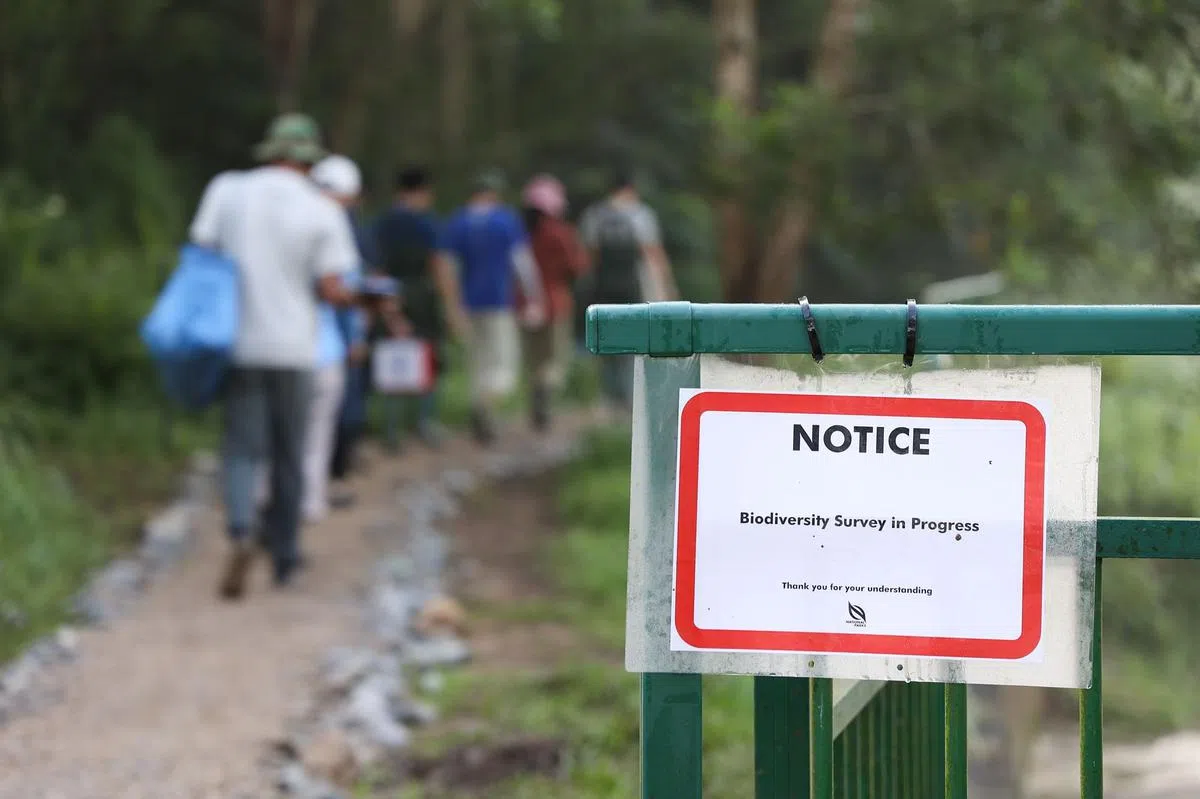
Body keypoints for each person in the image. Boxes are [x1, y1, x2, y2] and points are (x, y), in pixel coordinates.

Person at [189, 112, 360, 599]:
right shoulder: (321, 209)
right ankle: (284, 555)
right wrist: (350, 298)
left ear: (270, 152)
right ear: (309, 160)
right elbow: (332, 286)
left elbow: (202, 251)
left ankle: (241, 530)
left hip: (237, 341)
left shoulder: (227, 190)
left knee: (242, 447)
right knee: (289, 454)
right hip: (295, 348)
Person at [435, 169, 546, 445]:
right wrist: (533, 297)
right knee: (504, 364)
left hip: (468, 303)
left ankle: (480, 406)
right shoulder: (505, 221)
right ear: (494, 193)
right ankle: (486, 405)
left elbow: (447, 267)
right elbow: (522, 263)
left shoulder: (458, 223)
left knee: (477, 362)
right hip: (498, 301)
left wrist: (451, 305)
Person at [579, 171, 677, 410]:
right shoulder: (641, 214)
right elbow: (653, 253)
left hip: (603, 287)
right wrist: (667, 287)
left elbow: (589, 255)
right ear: (631, 189)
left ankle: (608, 396)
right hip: (634, 286)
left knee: (605, 338)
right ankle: (630, 398)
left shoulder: (595, 215)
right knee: (633, 339)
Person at [305, 154, 366, 522]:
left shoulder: (287, 218)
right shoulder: (333, 226)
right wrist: (356, 332)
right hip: (323, 345)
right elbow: (341, 290)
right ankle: (310, 500)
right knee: (319, 426)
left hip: (275, 343)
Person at [371, 166, 449, 449]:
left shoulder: (381, 223)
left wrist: (387, 307)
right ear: (421, 192)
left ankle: (392, 430)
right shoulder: (427, 224)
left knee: (394, 361)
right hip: (422, 297)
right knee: (428, 358)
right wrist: (451, 307)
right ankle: (425, 422)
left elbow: (375, 268)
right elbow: (438, 266)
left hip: (390, 295)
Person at [519, 174, 589, 430]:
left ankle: (534, 399)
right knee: (554, 359)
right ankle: (545, 397)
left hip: (525, 304)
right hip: (555, 302)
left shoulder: (521, 235)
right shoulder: (561, 233)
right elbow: (577, 266)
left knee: (533, 359)